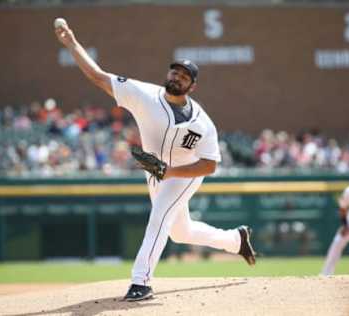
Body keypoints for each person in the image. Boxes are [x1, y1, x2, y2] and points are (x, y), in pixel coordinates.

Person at [54, 20, 257, 301]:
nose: (177, 77)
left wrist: (171, 172)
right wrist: (72, 44)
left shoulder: (203, 123)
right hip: (155, 172)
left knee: (159, 215)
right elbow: (98, 76)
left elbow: (210, 165)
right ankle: (236, 240)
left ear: (192, 87)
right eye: (175, 71)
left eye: (184, 76)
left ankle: (141, 282)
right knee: (180, 232)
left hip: (185, 174)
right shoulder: (144, 94)